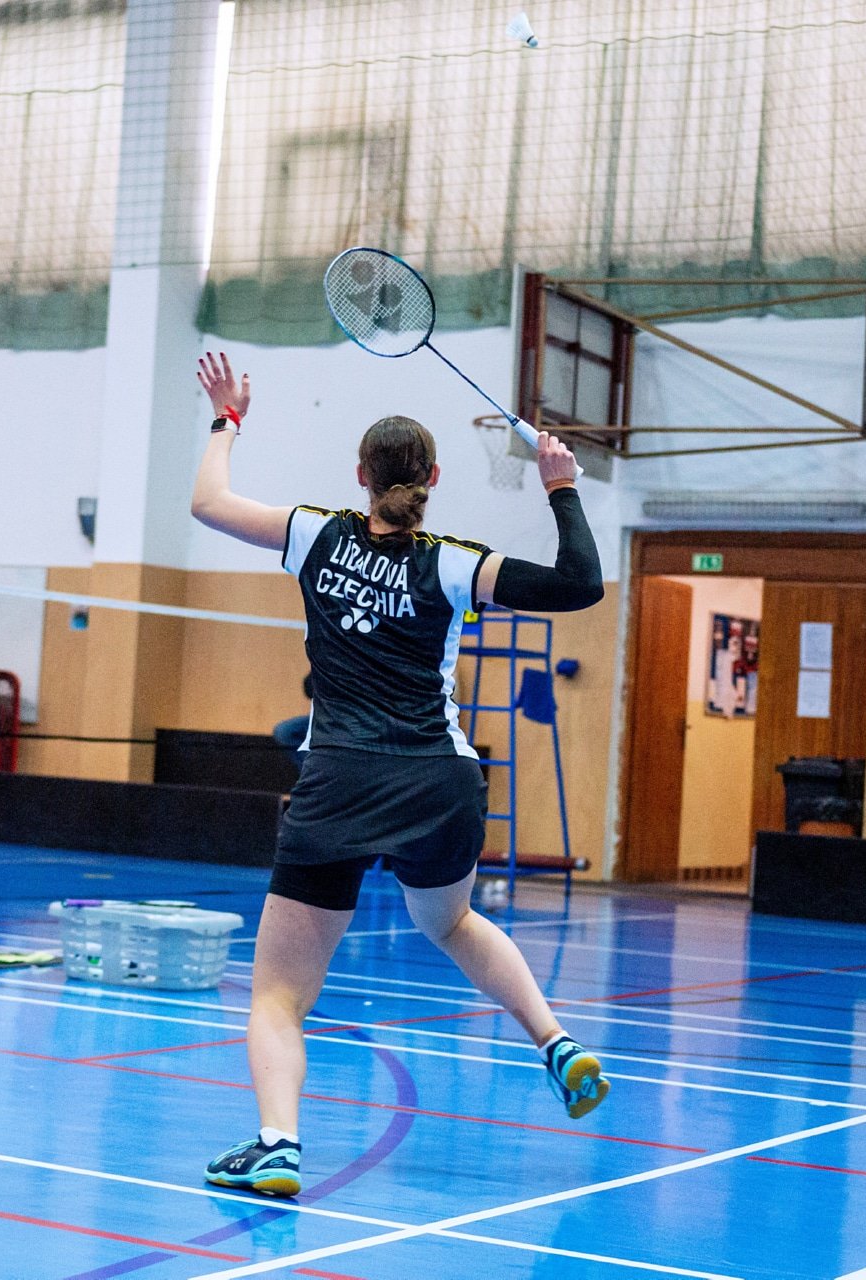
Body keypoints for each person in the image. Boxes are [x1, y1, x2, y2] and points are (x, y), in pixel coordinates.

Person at [188, 352, 609, 1198]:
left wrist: (228, 420)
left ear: (361, 477)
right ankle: (554, 1041)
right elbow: (580, 584)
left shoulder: (315, 533)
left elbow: (207, 503)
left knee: (277, 995)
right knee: (451, 923)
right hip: (439, 783)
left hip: (339, 781)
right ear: (433, 480)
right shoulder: (456, 563)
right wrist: (560, 486)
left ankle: (278, 1144)